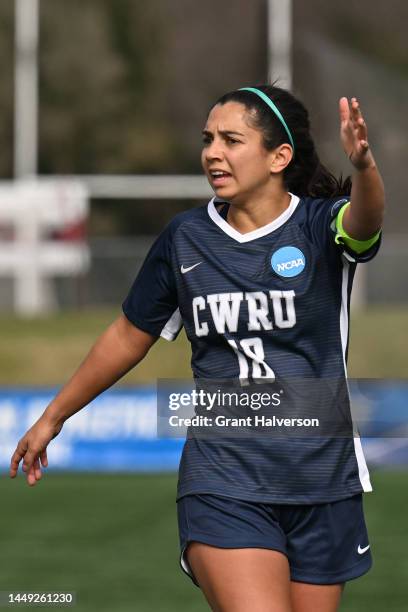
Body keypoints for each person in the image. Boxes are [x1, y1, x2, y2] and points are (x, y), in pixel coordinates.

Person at [10, 84, 384, 612]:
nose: (213, 151)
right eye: (208, 138)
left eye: (232, 139)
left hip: (322, 478)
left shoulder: (320, 226)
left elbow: (366, 221)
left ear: (279, 157)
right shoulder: (184, 238)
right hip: (223, 476)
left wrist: (365, 167)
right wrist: (54, 416)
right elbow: (126, 335)